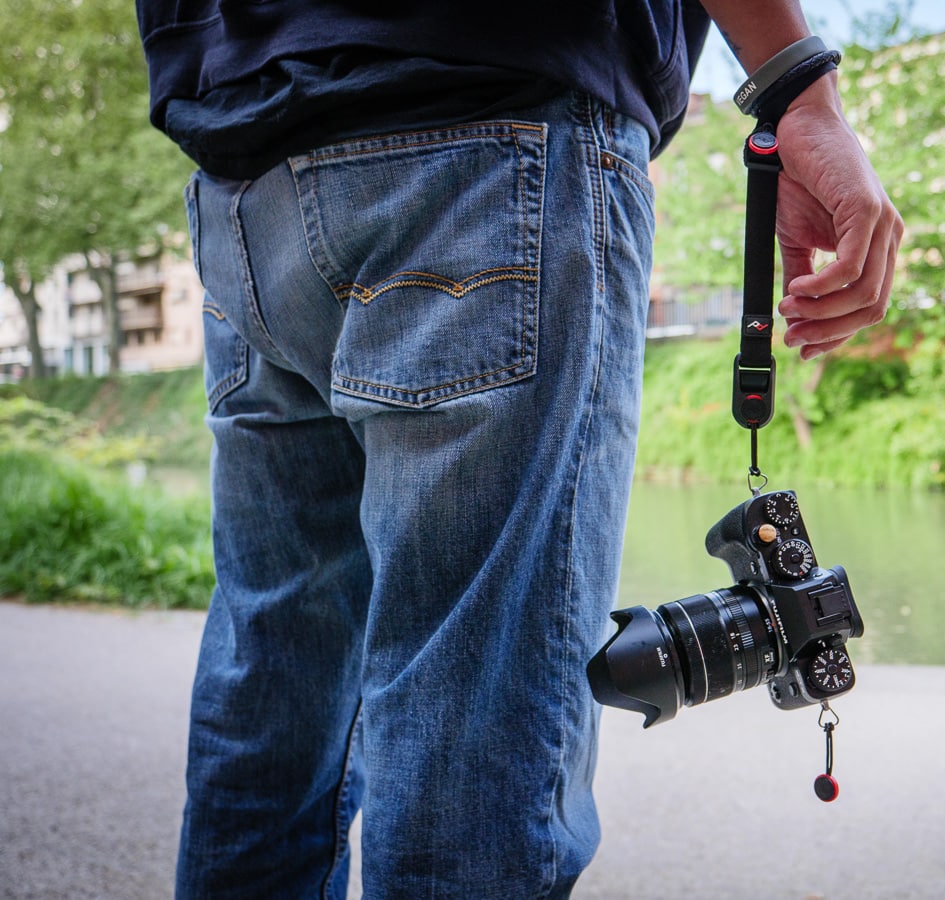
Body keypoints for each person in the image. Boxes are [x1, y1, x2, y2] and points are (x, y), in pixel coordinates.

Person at [135, 2, 902, 897]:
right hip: (491, 132)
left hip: (244, 178)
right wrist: (797, 86)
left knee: (271, 710)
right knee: (473, 748)